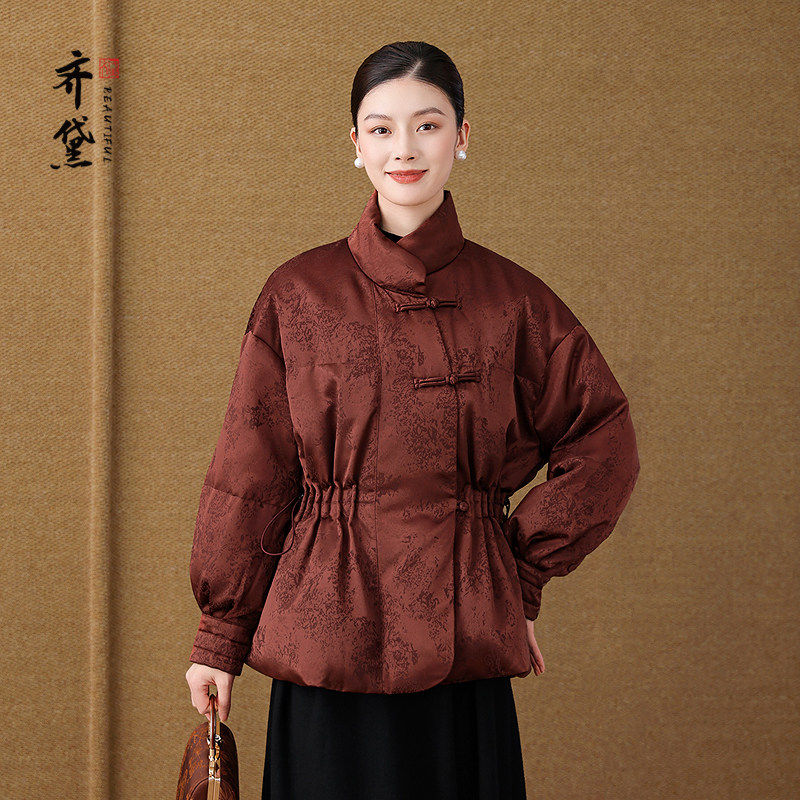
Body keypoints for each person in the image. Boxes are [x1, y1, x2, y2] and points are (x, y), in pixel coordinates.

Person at [185, 40, 640, 800]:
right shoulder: (298, 295)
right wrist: (219, 636)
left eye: (427, 125)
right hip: (326, 639)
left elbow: (605, 440)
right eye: (382, 128)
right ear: (355, 144)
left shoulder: (515, 301)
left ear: (462, 136)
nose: (404, 149)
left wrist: (517, 574)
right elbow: (251, 473)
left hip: (462, 641)